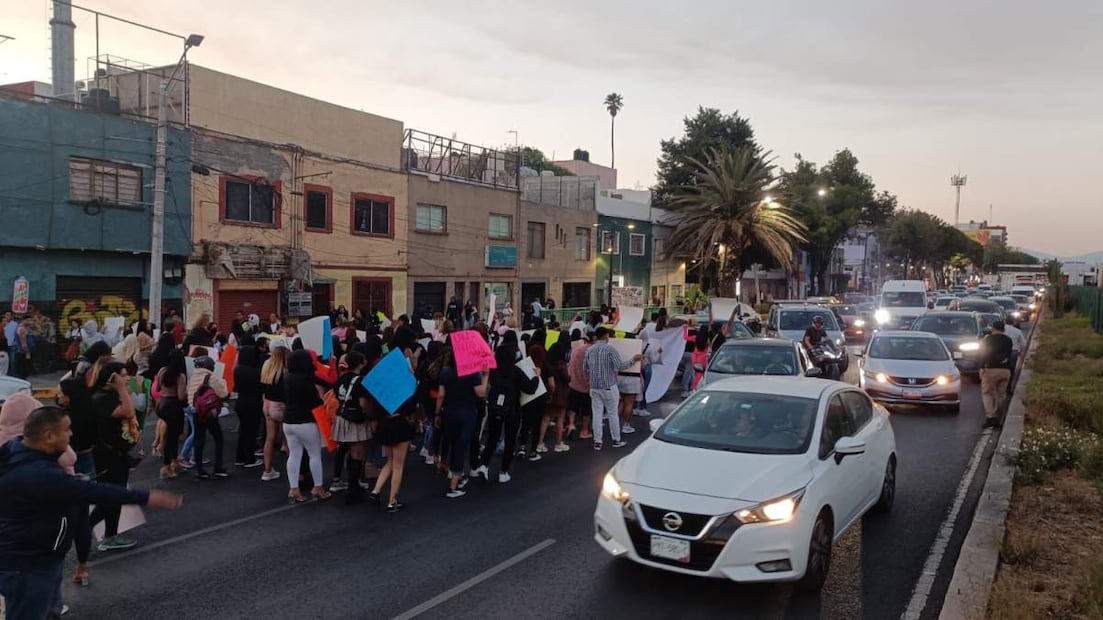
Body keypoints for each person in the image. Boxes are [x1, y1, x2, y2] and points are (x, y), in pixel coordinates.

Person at [0, 407, 181, 620]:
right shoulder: (38, 474)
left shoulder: (18, 449)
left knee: (48, 612)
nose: (71, 434)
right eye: (66, 430)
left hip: (40, 558)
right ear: (49, 435)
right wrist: (147, 497)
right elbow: (94, 492)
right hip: (30, 566)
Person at [87, 361, 141, 551]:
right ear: (112, 379)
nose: (127, 378)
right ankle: (89, 529)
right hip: (107, 455)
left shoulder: (108, 395)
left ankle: (109, 535)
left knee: (114, 495)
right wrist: (121, 388)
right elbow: (128, 411)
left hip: (114, 453)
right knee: (113, 495)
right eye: (123, 375)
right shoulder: (103, 398)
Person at [473, 345, 539, 483]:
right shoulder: (516, 371)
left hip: (494, 406)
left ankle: (484, 465)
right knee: (510, 440)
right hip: (512, 408)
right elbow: (530, 389)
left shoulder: (493, 370)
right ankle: (503, 472)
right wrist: (536, 377)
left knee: (492, 436)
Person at [435, 347, 489, 498]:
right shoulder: (472, 374)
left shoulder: (445, 372)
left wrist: (437, 413)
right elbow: (481, 393)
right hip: (467, 413)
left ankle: (454, 475)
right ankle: (453, 485)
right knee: (461, 446)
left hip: (449, 412)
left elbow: (440, 395)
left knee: (453, 443)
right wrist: (485, 375)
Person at [283, 349, 331, 503]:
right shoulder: (306, 379)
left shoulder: (287, 378)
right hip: (306, 421)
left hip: (288, 422)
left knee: (294, 455)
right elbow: (314, 401)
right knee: (314, 455)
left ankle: (293, 489)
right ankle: (318, 488)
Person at [584, 327, 641, 451]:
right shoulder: (610, 350)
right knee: (612, 414)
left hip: (594, 386)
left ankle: (597, 441)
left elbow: (586, 367)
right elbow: (620, 366)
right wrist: (633, 360)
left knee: (597, 414)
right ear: (606, 336)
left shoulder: (589, 350)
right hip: (609, 385)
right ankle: (616, 439)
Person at [330, 351, 373, 504]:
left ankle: (347, 483)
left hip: (342, 416)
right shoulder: (360, 381)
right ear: (361, 363)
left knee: (344, 449)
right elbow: (363, 403)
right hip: (356, 419)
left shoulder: (342, 378)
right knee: (356, 455)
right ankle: (353, 487)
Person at [186, 356, 230, 480]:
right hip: (209, 413)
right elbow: (223, 394)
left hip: (196, 411)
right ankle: (218, 468)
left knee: (199, 440)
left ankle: (200, 470)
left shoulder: (193, 377)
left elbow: (188, 393)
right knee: (218, 438)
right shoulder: (211, 377)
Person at [154, 350, 188, 480]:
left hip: (161, 403)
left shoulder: (162, 371)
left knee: (171, 435)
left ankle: (174, 462)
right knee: (173, 437)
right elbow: (180, 396)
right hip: (173, 406)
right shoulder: (180, 376)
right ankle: (167, 466)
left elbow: (157, 389)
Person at [259, 345, 288, 481]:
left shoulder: (267, 368)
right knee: (288, 439)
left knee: (269, 438)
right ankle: (294, 471)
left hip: (267, 404)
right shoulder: (285, 371)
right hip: (281, 406)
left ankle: (267, 470)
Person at [233, 346, 265, 469]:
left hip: (240, 402)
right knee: (252, 431)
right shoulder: (256, 372)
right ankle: (249, 458)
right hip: (253, 403)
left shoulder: (238, 370)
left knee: (243, 431)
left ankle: (240, 457)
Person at [979, 320, 1014, 429]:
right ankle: (998, 415)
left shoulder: (988, 340)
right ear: (1003, 329)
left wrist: (981, 367)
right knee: (1001, 394)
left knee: (987, 393)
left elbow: (983, 353)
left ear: (993, 328)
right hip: (1006, 370)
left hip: (991, 369)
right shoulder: (1008, 340)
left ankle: (991, 417)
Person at [567, 331, 594, 440]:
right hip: (587, 386)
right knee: (586, 410)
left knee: (573, 407)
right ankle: (584, 431)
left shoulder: (576, 350)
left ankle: (571, 424)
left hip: (574, 383)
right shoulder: (593, 352)